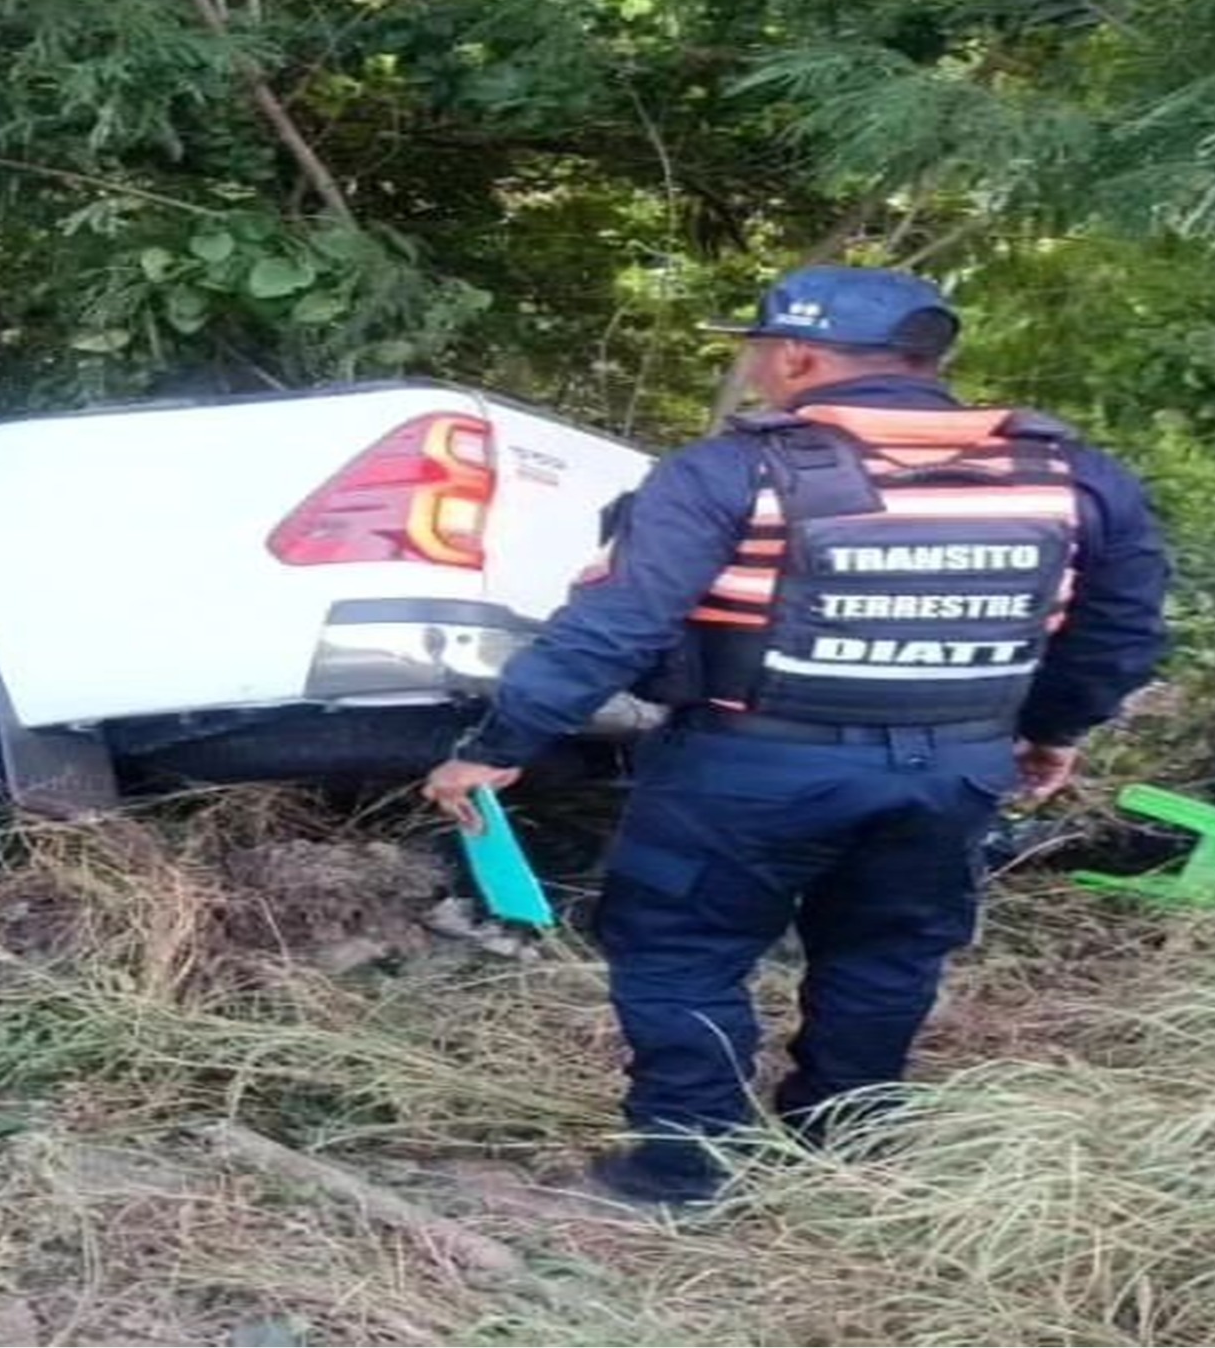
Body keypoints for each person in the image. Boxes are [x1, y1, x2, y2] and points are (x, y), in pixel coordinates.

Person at [421, 265, 1171, 1209]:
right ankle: (844, 1148)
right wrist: (1054, 729)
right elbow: (1123, 630)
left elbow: (618, 623)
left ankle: (684, 1167)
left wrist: (502, 740)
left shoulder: (733, 470)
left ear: (798, 355)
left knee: (682, 950)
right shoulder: (1072, 477)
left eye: (764, 353)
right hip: (953, 767)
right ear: (929, 361)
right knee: (887, 954)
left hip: (748, 766)